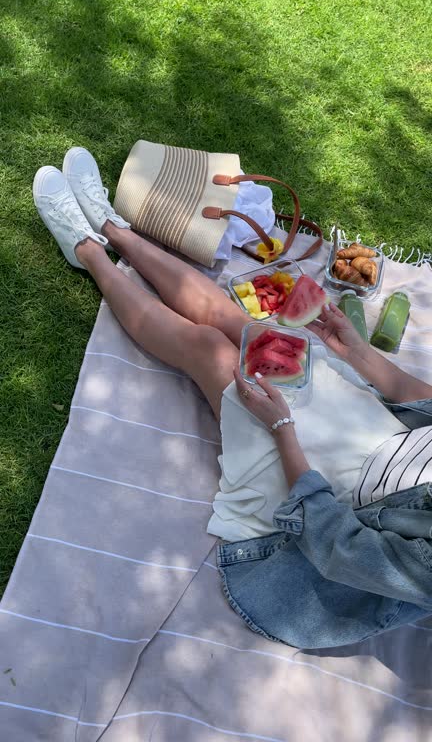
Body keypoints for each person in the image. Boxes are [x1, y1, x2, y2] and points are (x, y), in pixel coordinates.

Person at [33, 148, 432, 649]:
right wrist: (355, 352)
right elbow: (421, 400)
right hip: (368, 431)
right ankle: (115, 230)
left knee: (209, 352)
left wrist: (281, 427)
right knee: (238, 324)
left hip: (319, 497)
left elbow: (338, 547)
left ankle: (87, 251)